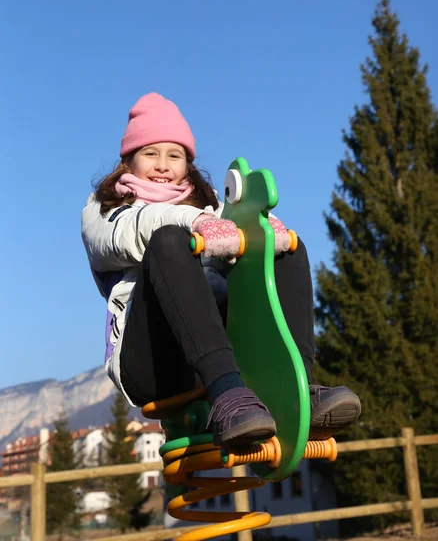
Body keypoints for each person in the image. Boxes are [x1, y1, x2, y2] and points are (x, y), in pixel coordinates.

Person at [81, 92, 361, 447]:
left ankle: (297, 386)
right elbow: (131, 231)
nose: (163, 165)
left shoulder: (210, 203)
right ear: (128, 162)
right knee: (169, 241)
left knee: (286, 245)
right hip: (152, 362)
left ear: (188, 164)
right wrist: (195, 221)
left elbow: (250, 224)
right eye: (150, 153)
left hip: (219, 348)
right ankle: (227, 391)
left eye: (175, 155)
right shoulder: (104, 208)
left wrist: (265, 228)